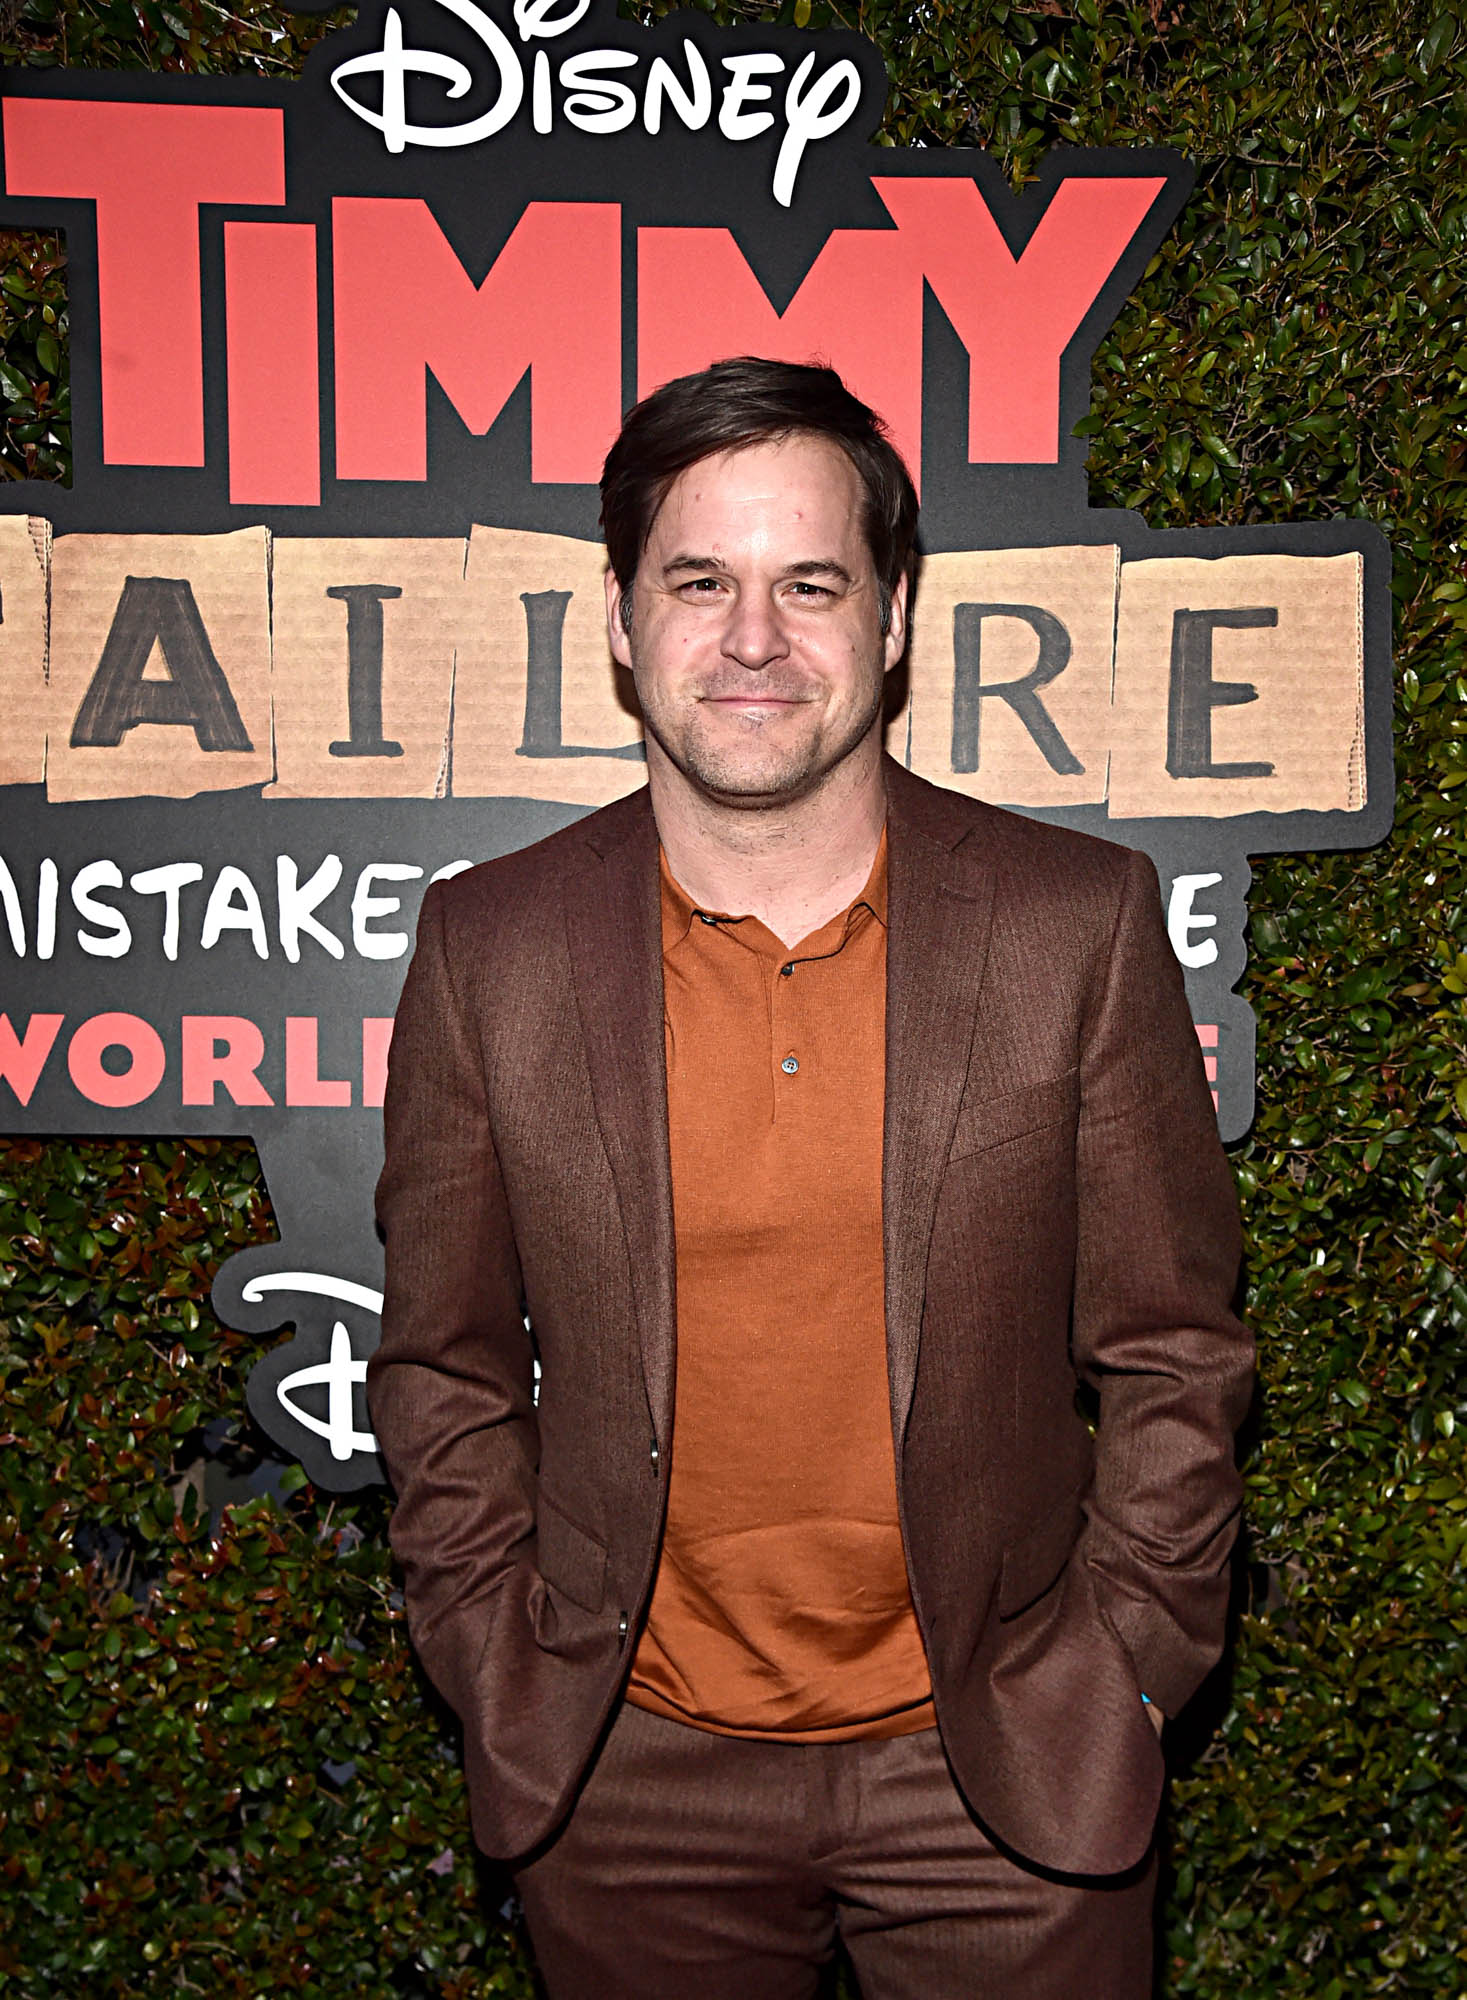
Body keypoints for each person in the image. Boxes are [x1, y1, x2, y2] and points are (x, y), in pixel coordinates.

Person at [368, 357, 1254, 1998]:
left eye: (812, 584)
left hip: (1006, 1769)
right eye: (700, 581)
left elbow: (1176, 1350)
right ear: (622, 618)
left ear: (894, 618)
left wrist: (1124, 1667)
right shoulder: (491, 948)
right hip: (625, 1779)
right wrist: (495, 1657)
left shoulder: (1076, 923)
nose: (755, 640)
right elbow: (441, 1367)